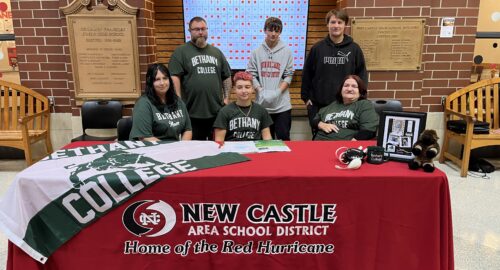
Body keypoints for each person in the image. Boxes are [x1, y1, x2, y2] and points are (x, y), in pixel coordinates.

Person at [301, 9, 368, 131]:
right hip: (321, 105)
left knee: (344, 140)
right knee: (321, 142)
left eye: (339, 22)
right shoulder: (317, 48)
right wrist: (306, 98)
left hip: (347, 106)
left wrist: (360, 98)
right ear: (327, 24)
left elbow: (361, 75)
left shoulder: (354, 49)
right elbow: (307, 75)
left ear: (345, 24)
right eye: (332, 22)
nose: (336, 26)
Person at [169, 16, 232, 140]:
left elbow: (227, 76)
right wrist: (178, 101)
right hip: (191, 113)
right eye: (196, 29)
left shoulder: (216, 52)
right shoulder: (181, 52)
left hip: (215, 112)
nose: (200, 32)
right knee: (195, 150)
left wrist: (226, 98)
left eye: (203, 29)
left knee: (217, 148)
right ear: (190, 31)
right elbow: (174, 77)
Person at [246, 17, 294, 140]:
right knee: (264, 141)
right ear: (265, 30)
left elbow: (288, 75)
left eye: (276, 31)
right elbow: (251, 73)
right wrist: (260, 90)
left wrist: (278, 92)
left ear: (280, 32)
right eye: (270, 30)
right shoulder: (256, 52)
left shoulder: (287, 52)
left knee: (284, 139)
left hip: (282, 106)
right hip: (262, 105)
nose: (273, 34)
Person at [129, 63, 192, 141]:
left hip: (175, 149)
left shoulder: (178, 101)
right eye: (157, 79)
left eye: (165, 78)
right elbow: (145, 137)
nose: (162, 83)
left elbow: (187, 130)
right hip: (150, 149)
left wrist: (183, 147)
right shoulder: (143, 104)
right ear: (150, 82)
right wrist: (170, 150)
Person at [313, 75, 378, 141]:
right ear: (341, 90)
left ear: (360, 91)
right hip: (319, 144)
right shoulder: (334, 104)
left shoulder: (364, 105)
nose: (349, 89)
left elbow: (369, 130)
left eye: (354, 86)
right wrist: (321, 124)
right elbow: (315, 120)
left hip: (344, 147)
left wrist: (351, 144)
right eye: (346, 86)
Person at [213, 71, 273, 142]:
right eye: (239, 87)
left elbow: (267, 138)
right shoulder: (224, 112)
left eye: (247, 87)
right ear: (234, 89)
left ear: (252, 89)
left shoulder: (261, 111)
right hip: (233, 151)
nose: (244, 91)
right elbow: (219, 141)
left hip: (255, 150)